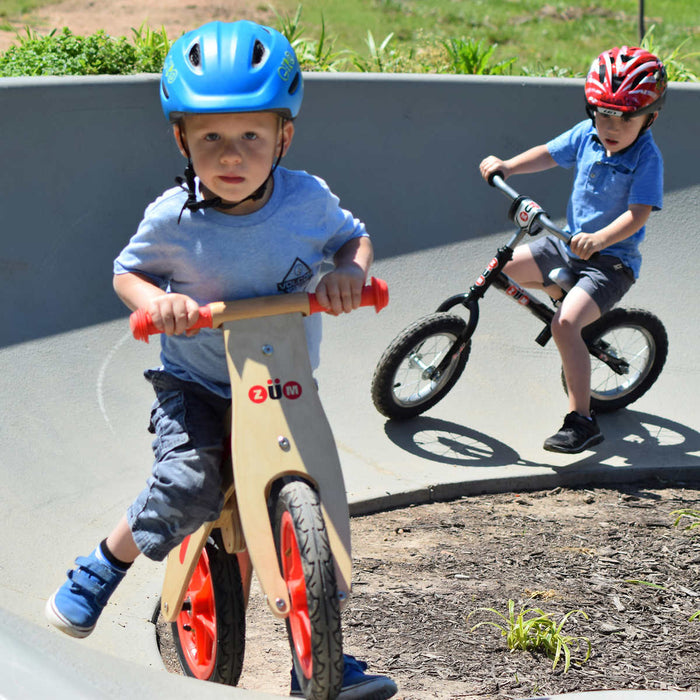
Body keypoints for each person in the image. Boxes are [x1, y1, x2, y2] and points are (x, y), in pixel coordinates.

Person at [45, 20, 397, 700]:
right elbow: (128, 273)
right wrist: (159, 303)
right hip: (198, 385)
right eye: (210, 138)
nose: (231, 155)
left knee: (311, 509)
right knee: (186, 483)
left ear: (283, 138)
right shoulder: (173, 217)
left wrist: (349, 275)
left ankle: (318, 662)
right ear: (182, 140)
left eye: (250, 138)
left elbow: (354, 239)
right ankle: (100, 567)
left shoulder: (307, 200)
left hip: (282, 380)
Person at [479, 46, 667, 454]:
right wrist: (508, 166)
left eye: (625, 117)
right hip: (566, 246)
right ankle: (564, 297)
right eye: (602, 114)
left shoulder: (646, 158)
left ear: (650, 117)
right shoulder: (586, 135)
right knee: (503, 270)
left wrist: (601, 240)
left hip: (611, 263)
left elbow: (637, 215)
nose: (610, 126)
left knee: (564, 327)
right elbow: (549, 154)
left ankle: (582, 419)